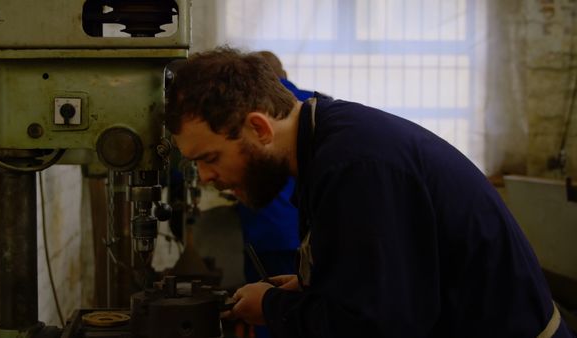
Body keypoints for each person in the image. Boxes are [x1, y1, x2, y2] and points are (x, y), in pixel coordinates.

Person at [164, 47, 574, 337]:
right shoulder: (329, 141)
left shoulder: (355, 166)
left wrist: (272, 308)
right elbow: (389, 281)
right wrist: (318, 283)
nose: (204, 177)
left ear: (259, 128)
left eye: (210, 157)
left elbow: (379, 324)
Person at [233, 50, 311, 338]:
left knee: (263, 306)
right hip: (307, 232)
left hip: (264, 230)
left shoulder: (249, 108)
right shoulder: (314, 103)